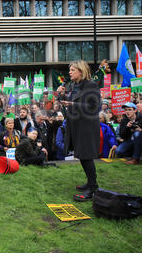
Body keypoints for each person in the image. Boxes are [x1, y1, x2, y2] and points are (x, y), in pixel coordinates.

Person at [58, 60, 101, 201]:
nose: (69, 72)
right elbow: (70, 103)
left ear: (81, 71)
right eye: (70, 70)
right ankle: (90, 182)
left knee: (86, 156)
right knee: (82, 155)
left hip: (87, 127)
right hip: (76, 125)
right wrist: (62, 95)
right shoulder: (74, 85)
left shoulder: (91, 85)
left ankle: (93, 188)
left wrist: (73, 103)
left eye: (72, 70)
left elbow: (94, 106)